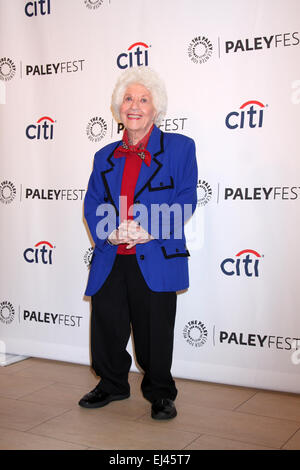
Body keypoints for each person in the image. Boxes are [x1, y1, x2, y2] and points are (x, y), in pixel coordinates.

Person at [79, 66, 198, 420]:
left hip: (156, 252)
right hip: (112, 253)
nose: (135, 106)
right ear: (118, 109)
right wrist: (110, 230)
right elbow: (93, 201)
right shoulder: (104, 156)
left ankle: (161, 393)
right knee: (106, 323)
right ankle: (112, 383)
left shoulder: (180, 148)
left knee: (155, 329)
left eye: (143, 99)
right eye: (128, 99)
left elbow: (187, 196)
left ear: (155, 108)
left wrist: (149, 227)